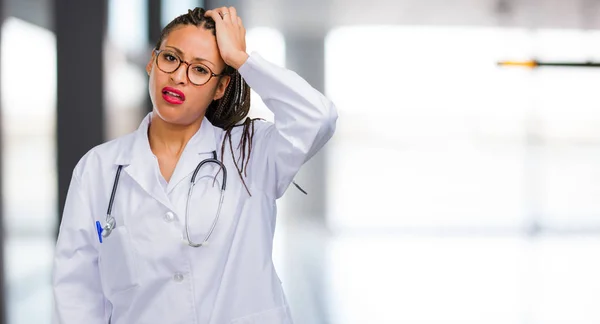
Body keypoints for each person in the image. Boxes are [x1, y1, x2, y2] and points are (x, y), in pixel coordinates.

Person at [51, 6, 337, 324]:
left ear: (220, 88)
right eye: (171, 58)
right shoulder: (99, 169)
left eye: (200, 70)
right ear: (152, 61)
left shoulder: (251, 152)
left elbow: (317, 117)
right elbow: (77, 290)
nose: (178, 76)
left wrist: (242, 59)